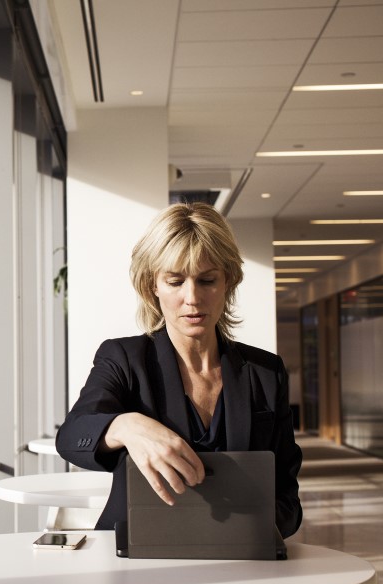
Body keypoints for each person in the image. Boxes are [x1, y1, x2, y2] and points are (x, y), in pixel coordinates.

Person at [56, 202, 302, 538]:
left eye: (207, 280)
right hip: (138, 558)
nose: (192, 298)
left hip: (238, 559)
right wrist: (126, 425)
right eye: (175, 281)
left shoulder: (266, 372)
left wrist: (257, 529)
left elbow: (287, 495)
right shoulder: (124, 359)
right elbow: (71, 437)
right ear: (152, 286)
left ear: (227, 281)